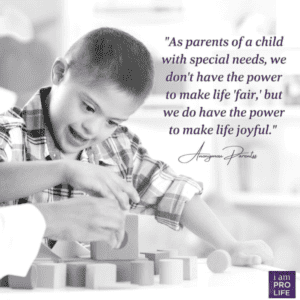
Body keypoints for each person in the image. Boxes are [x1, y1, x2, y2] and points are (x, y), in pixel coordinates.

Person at [0, 27, 273, 266]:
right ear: (60, 74)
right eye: (88, 107)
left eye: (112, 122)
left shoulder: (117, 148)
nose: (92, 128)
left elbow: (173, 191)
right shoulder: (9, 133)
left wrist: (229, 245)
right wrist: (65, 170)